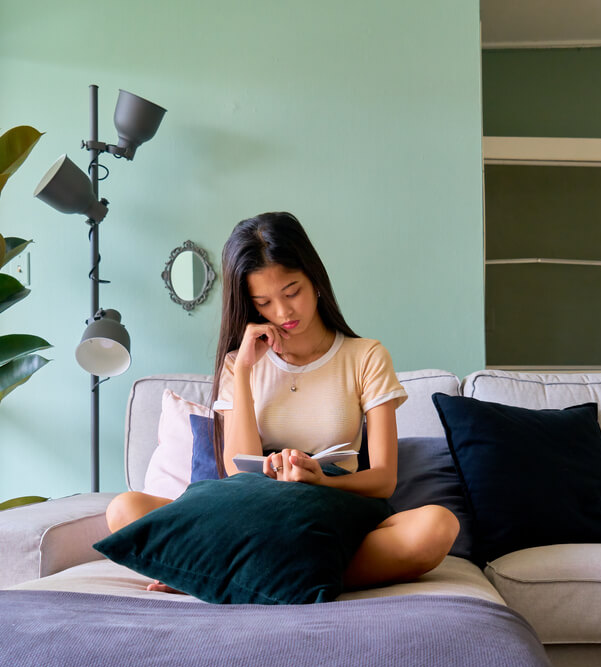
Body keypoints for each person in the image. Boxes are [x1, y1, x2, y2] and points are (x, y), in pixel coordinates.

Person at [105, 211, 458, 592]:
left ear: (315, 279)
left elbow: (384, 479)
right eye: (265, 302)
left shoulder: (366, 356)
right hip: (255, 508)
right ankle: (290, 575)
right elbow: (239, 472)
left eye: (292, 292)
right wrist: (242, 371)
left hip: (334, 509)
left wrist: (320, 481)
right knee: (125, 510)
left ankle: (230, 577)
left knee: (437, 527)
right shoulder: (238, 364)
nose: (283, 312)